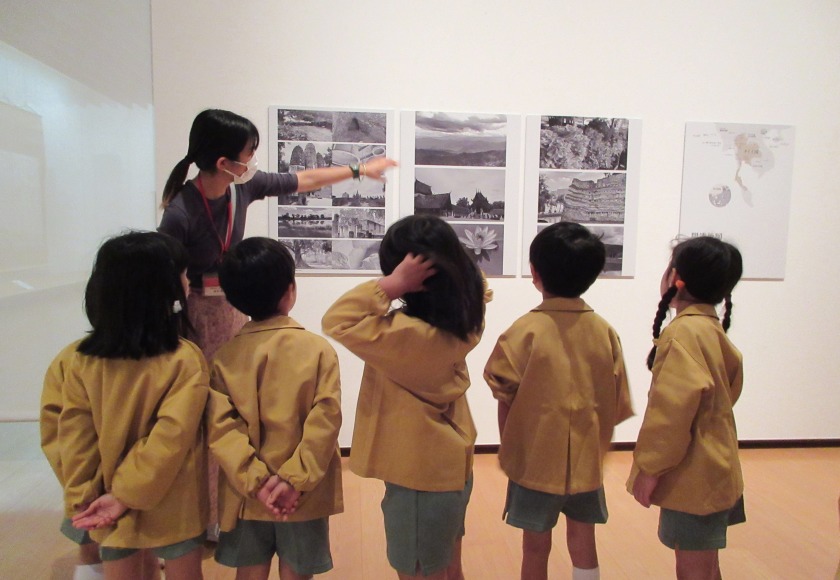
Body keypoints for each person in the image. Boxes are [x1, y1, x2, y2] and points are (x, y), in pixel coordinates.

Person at [158, 109, 394, 539]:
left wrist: (360, 169)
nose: (253, 161)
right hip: (194, 318)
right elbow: (167, 278)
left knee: (240, 408)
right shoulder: (180, 212)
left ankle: (244, 496)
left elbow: (304, 180)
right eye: (249, 153)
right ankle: (205, 513)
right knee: (208, 414)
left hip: (233, 311)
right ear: (225, 163)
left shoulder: (241, 188)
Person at [322, 215, 491, 580]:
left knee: (419, 571)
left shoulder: (403, 336)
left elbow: (337, 320)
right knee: (448, 565)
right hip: (451, 465)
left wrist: (390, 285)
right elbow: (477, 282)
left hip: (418, 478)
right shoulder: (467, 319)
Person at [48, 231, 210, 580]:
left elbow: (70, 435)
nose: (187, 282)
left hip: (104, 501)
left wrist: (86, 495)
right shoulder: (184, 359)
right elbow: (172, 436)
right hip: (173, 500)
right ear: (162, 290)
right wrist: (124, 495)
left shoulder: (77, 360)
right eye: (182, 275)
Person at [483, 222, 633, 580]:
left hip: (534, 461)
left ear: (535, 273)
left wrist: (510, 448)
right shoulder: (605, 331)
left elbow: (504, 395)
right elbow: (618, 400)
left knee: (535, 546)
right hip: (586, 461)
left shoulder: (523, 331)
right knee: (584, 537)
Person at [205, 237, 343, 580]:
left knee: (249, 570)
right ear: (290, 291)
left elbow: (222, 429)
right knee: (297, 571)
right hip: (303, 494)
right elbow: (326, 420)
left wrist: (258, 482)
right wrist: (294, 480)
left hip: (248, 492)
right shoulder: (318, 350)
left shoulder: (225, 358)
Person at [627, 236, 745, 579]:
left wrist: (650, 469)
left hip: (693, 476)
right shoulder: (711, 329)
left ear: (675, 277)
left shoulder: (682, 334)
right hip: (719, 465)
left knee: (693, 567)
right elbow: (730, 389)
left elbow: (671, 415)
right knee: (707, 562)